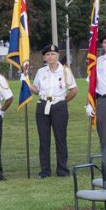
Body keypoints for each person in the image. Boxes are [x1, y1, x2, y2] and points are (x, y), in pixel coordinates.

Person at [32, 46, 75, 177]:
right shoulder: (41, 72)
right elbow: (36, 88)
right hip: (43, 104)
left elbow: (73, 90)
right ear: (45, 57)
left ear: (57, 55)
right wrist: (27, 85)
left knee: (60, 139)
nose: (51, 56)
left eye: (53, 54)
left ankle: (62, 169)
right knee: (43, 139)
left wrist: (63, 101)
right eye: (48, 54)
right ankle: (45, 170)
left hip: (59, 105)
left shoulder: (65, 71)